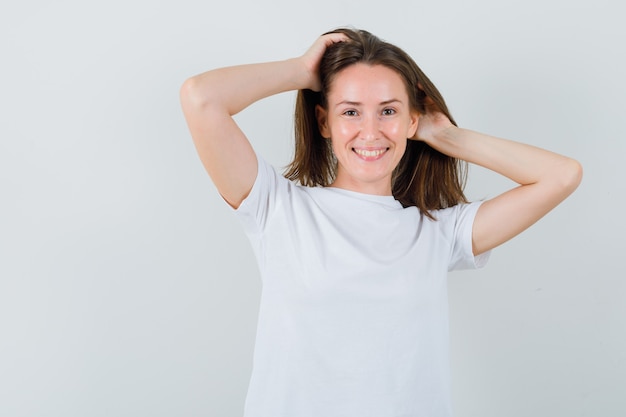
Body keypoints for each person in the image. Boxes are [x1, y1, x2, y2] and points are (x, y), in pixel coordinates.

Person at [180, 28, 582, 417]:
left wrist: (448, 136)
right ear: (324, 122)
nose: (370, 132)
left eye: (388, 111)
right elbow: (201, 98)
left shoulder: (439, 232)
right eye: (350, 111)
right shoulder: (277, 207)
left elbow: (561, 175)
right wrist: (302, 71)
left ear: (411, 121)